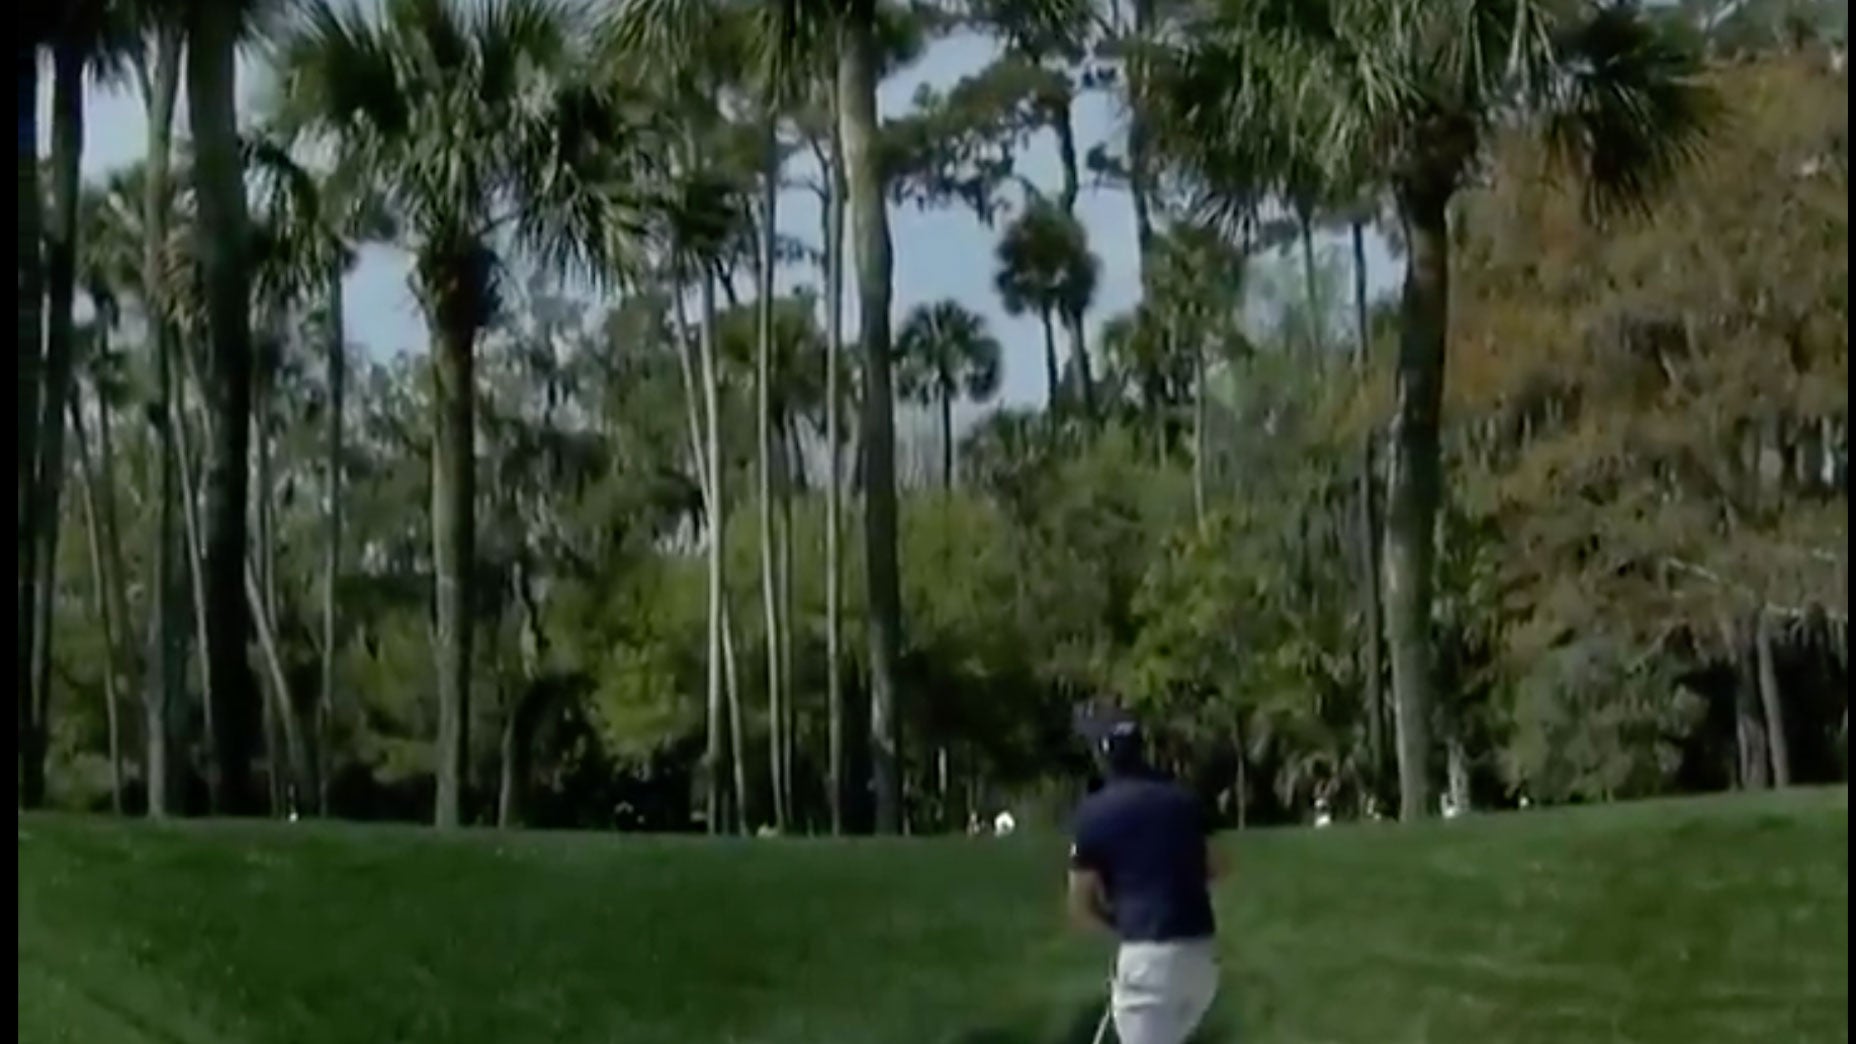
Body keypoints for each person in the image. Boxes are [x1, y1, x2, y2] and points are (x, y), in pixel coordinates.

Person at [1067, 720, 1221, 1044]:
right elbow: (1217, 867)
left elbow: (1081, 907)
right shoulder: (1183, 801)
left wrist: (1123, 928)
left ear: (1102, 756)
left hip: (1146, 959)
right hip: (1200, 956)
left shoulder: (1093, 813)